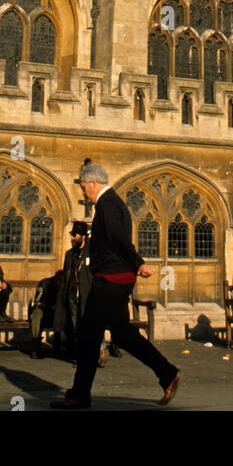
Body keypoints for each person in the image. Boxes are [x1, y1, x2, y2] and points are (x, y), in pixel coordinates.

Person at [50, 160, 181, 409]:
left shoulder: (108, 205)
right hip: (117, 278)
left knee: (89, 335)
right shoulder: (111, 203)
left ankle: (79, 395)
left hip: (111, 279)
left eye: (83, 186)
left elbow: (119, 239)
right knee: (122, 334)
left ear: (93, 182)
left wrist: (138, 262)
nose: (82, 192)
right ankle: (167, 373)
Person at [53, 221, 92, 356]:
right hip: (72, 294)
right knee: (75, 325)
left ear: (83, 236)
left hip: (86, 296)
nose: (72, 238)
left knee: (87, 326)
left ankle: (89, 353)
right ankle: (79, 355)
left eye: (74, 235)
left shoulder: (92, 252)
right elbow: (66, 276)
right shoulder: (69, 254)